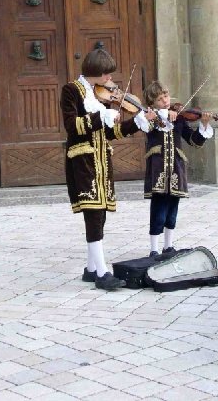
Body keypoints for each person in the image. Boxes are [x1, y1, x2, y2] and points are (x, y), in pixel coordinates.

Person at [61, 49, 157, 290]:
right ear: (96, 71)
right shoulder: (71, 90)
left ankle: (91, 269)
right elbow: (71, 126)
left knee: (100, 213)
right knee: (92, 212)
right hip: (83, 160)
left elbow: (112, 132)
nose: (110, 80)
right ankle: (102, 273)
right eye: (106, 74)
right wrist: (100, 116)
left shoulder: (100, 96)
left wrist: (137, 122)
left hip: (102, 160)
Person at [142, 80, 214, 256]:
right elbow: (148, 126)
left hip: (176, 167)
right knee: (158, 207)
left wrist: (203, 125)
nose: (165, 100)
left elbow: (193, 140)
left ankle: (168, 245)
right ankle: (154, 249)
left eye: (166, 96)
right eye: (160, 99)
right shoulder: (150, 118)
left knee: (173, 206)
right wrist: (164, 114)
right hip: (158, 168)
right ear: (152, 103)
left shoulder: (180, 118)